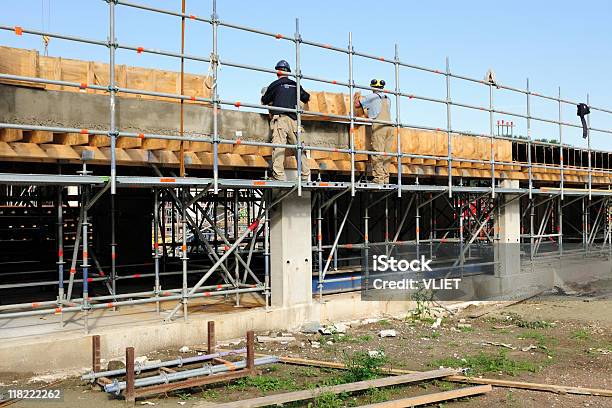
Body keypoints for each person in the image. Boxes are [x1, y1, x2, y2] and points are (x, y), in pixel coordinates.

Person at [261, 60, 311, 181]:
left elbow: (264, 101)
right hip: (294, 120)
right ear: (288, 72)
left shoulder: (274, 85)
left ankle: (278, 176)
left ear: (277, 72)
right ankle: (305, 175)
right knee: (299, 147)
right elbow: (306, 97)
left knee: (279, 147)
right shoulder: (295, 85)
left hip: (281, 120)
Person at [355, 79, 393, 184]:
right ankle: (386, 178)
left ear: (372, 87)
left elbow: (357, 105)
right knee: (386, 154)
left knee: (377, 152)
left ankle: (378, 179)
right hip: (390, 126)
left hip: (379, 126)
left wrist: (356, 97)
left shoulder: (371, 97)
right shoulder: (388, 98)